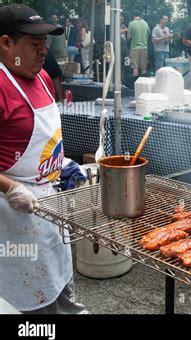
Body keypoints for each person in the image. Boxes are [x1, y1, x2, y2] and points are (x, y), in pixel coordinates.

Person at [0, 3, 87, 314]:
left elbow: (43, 140)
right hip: (13, 217)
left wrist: (61, 164)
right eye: (34, 45)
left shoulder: (42, 79)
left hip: (50, 206)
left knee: (60, 281)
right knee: (32, 303)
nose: (43, 53)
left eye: (44, 45)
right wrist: (10, 188)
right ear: (5, 43)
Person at [128, 11, 150, 77]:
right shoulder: (145, 23)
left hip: (134, 48)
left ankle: (135, 84)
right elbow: (148, 33)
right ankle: (144, 83)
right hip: (144, 47)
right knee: (143, 68)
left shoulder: (131, 23)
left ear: (133, 16)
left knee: (135, 67)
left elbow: (129, 37)